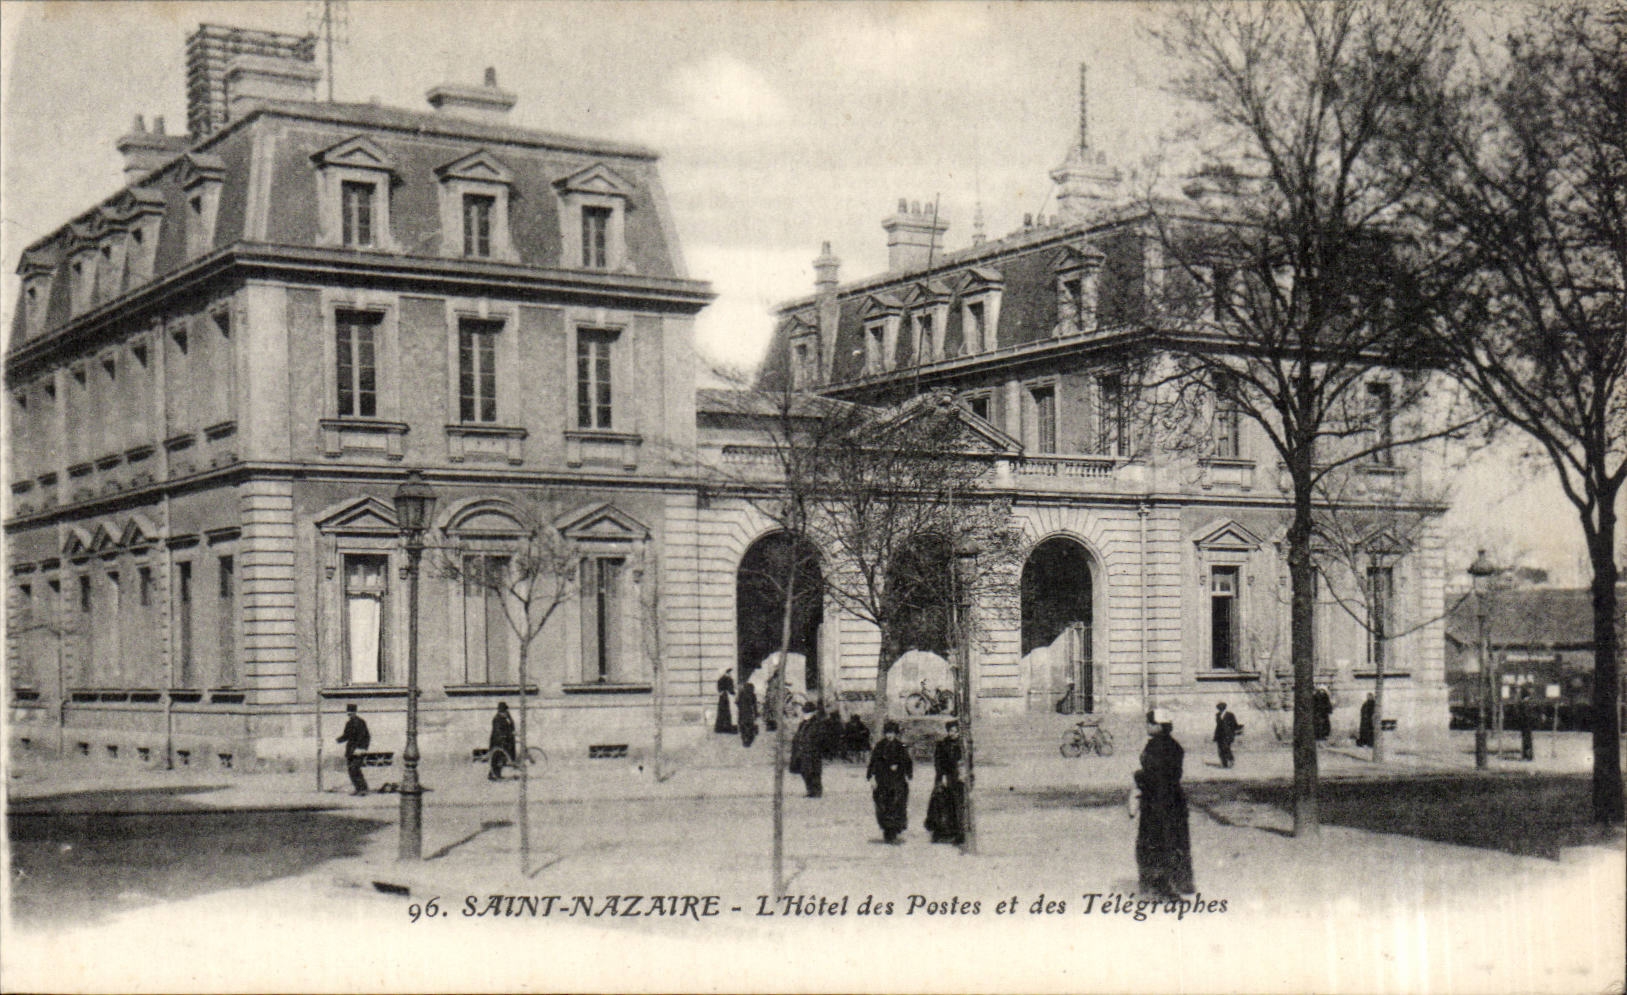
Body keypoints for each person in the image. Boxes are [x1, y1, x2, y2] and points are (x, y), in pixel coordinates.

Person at [1130, 708, 1194, 899]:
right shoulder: (1174, 745)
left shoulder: (1155, 747)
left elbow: (1153, 776)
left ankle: (1161, 888)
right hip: (1174, 800)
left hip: (1157, 803)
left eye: (1150, 722)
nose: (1147, 726)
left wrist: (1138, 777)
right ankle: (1181, 882)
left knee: (1155, 843)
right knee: (1176, 842)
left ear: (1159, 725)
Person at [866, 720, 913, 843]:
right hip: (883, 781)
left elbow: (907, 761)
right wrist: (871, 776)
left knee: (897, 805)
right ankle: (887, 831)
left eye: (892, 733)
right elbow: (874, 761)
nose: (889, 735)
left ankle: (895, 831)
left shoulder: (901, 746)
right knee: (883, 806)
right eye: (887, 733)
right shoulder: (880, 746)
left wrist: (905, 771)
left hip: (897, 781)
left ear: (896, 733)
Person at [925, 719, 966, 844]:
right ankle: (941, 832)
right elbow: (938, 762)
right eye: (951, 731)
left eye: (955, 731)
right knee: (941, 803)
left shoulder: (962, 745)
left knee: (958, 804)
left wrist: (963, 773)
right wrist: (941, 776)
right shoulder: (942, 745)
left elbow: (966, 762)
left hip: (958, 778)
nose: (953, 733)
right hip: (945, 776)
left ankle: (958, 833)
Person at [790, 703, 824, 797]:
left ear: (813, 713)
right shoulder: (803, 724)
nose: (805, 714)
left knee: (814, 772)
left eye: (808, 712)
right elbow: (799, 735)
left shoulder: (817, 723)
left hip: (812, 752)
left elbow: (820, 737)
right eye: (805, 711)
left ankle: (816, 791)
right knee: (805, 772)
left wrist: (814, 747)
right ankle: (810, 790)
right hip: (802, 751)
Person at [336, 703, 371, 796]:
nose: (350, 714)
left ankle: (363, 789)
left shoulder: (361, 722)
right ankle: (358, 789)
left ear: (355, 712)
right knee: (351, 770)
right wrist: (338, 740)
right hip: (350, 750)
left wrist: (362, 748)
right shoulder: (348, 723)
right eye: (349, 712)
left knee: (355, 769)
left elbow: (366, 736)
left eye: (352, 712)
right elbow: (346, 735)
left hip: (358, 750)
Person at [488, 702, 517, 780]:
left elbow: (512, 726)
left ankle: (496, 774)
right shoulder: (497, 719)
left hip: (506, 740)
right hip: (498, 741)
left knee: (504, 757)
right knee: (497, 758)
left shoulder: (505, 718)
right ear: (501, 711)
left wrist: (510, 718)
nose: (506, 712)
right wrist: (504, 736)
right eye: (505, 711)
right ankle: (493, 774)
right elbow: (498, 731)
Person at [1212, 702, 1241, 769]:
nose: (1220, 709)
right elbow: (1218, 726)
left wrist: (1237, 731)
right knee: (1220, 749)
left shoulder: (1230, 715)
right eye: (1219, 708)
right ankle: (1224, 763)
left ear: (1224, 708)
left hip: (1228, 735)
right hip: (1220, 735)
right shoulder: (1217, 715)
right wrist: (1215, 735)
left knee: (1226, 748)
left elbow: (1234, 724)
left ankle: (1231, 760)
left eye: (1221, 708)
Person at [736, 678, 759, 749]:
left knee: (743, 726)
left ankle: (744, 740)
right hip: (749, 713)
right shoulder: (752, 695)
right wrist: (756, 713)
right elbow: (754, 705)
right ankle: (748, 740)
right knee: (749, 727)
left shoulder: (741, 694)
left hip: (742, 713)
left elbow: (737, 702)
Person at [714, 670, 737, 734]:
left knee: (721, 712)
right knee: (728, 712)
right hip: (727, 697)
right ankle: (728, 728)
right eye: (730, 673)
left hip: (722, 698)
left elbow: (719, 689)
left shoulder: (720, 679)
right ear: (728, 673)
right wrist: (734, 693)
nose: (731, 674)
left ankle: (719, 728)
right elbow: (731, 690)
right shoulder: (729, 679)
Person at [1516, 688, 1535, 761]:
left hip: (1525, 724)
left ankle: (1527, 756)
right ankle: (1528, 756)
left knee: (1526, 740)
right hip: (1528, 724)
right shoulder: (1529, 703)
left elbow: (1524, 714)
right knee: (1527, 740)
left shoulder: (1525, 704)